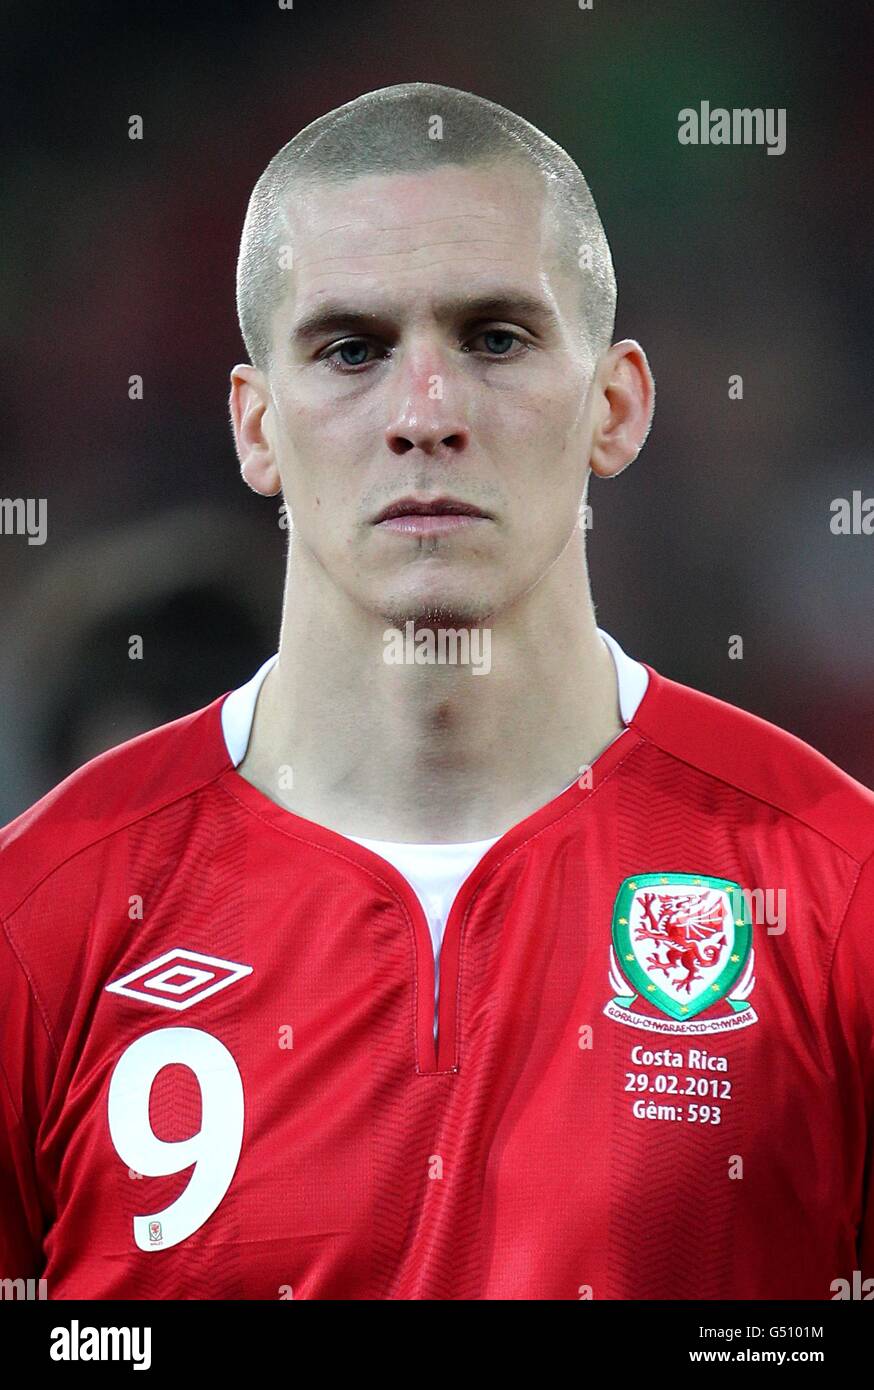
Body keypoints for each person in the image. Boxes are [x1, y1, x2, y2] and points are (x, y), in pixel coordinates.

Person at [2, 82, 873, 1301]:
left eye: (495, 339)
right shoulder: (36, 925)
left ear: (617, 405)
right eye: (352, 349)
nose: (425, 414)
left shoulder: (835, 896)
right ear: (257, 428)